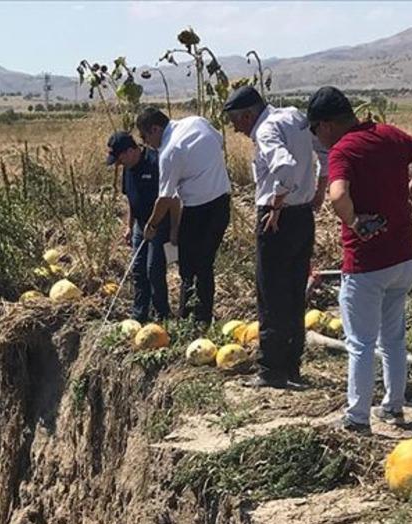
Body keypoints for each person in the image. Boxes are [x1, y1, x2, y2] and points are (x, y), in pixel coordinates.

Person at [307, 86, 412, 433]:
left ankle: (357, 417)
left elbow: (338, 194)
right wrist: (408, 196)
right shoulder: (390, 135)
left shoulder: (343, 150)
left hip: (366, 264)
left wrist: (353, 221)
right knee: (393, 338)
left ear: (325, 125)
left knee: (361, 343)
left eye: (315, 131)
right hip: (403, 258)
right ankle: (394, 407)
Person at [224, 85, 327, 389]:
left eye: (235, 120)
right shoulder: (292, 116)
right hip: (303, 216)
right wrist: (319, 191)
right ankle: (293, 365)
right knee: (295, 291)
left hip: (276, 218)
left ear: (247, 115)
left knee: (270, 293)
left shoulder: (266, 130)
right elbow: (323, 150)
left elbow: (284, 166)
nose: (235, 128)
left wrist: (277, 203)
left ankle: (271, 370)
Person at [135, 106, 231, 325]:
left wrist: (152, 225)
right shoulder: (197, 122)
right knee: (204, 264)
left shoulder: (169, 151)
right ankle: (200, 319)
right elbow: (218, 142)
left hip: (199, 211)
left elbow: (166, 198)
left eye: (144, 136)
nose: (145, 142)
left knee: (189, 267)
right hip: (222, 204)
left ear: (155, 129)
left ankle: (192, 320)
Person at [107, 131, 170, 322]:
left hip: (159, 224)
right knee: (138, 269)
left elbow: (168, 198)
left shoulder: (156, 162)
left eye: (119, 159)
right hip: (140, 225)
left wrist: (156, 225)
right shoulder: (128, 167)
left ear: (131, 151)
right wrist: (129, 226)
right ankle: (139, 314)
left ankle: (162, 315)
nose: (118, 164)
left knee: (154, 270)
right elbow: (131, 201)